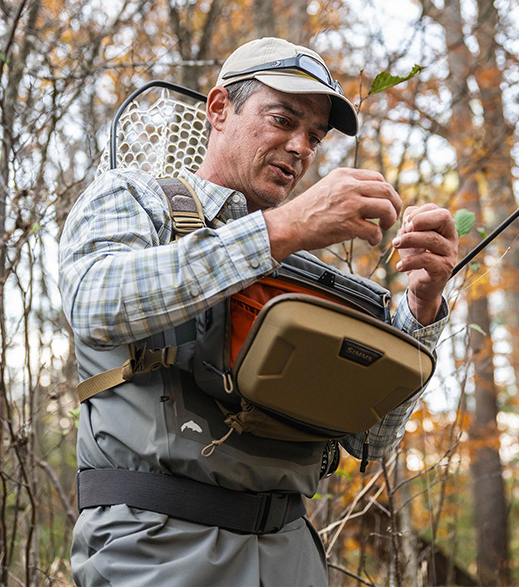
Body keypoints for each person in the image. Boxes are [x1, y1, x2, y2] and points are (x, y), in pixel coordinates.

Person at [60, 37, 458, 586]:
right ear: (219, 109)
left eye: (314, 137)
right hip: (152, 548)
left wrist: (422, 305)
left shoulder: (313, 276)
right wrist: (285, 229)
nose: (300, 147)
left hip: (289, 553)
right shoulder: (132, 198)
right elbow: (93, 301)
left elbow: (369, 440)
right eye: (282, 119)